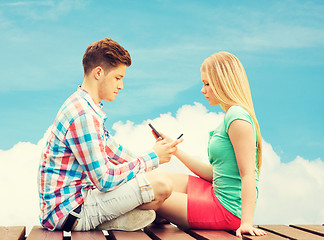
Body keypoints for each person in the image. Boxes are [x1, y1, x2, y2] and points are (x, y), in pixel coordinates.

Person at [38, 38, 182, 232]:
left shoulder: (85, 106)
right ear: (99, 72)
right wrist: (151, 158)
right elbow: (104, 180)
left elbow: (114, 152)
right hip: (71, 212)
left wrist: (155, 158)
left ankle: (118, 219)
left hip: (76, 202)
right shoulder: (83, 116)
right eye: (117, 77)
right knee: (162, 185)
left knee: (157, 179)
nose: (121, 85)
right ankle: (109, 220)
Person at [153, 52, 267, 238]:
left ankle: (154, 214)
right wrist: (176, 151)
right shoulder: (230, 116)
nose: (202, 90)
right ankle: (158, 215)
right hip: (214, 192)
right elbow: (216, 174)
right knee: (155, 179)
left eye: (207, 84)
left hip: (226, 209)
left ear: (224, 82)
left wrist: (246, 222)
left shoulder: (237, 118)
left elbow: (248, 175)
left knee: (149, 194)